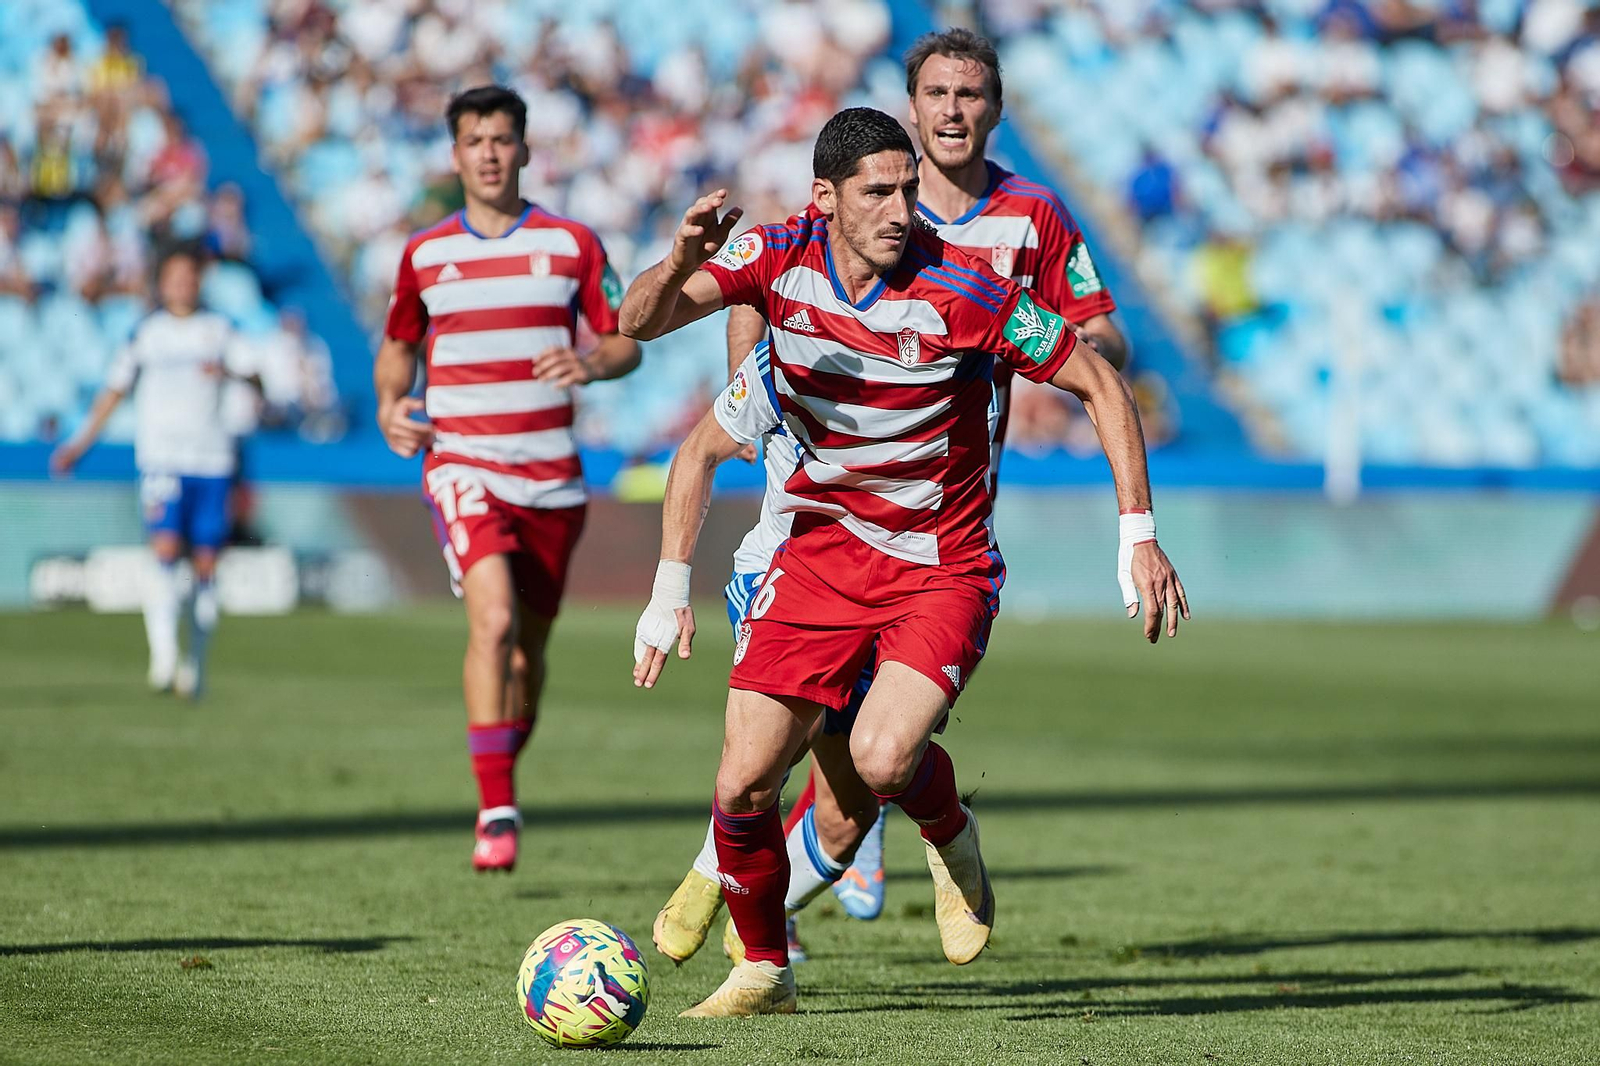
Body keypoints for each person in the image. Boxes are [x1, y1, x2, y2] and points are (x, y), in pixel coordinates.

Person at [622, 107, 1187, 1016]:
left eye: (908, 190)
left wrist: (1139, 534)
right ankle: (764, 972)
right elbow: (637, 321)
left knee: (882, 760)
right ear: (825, 197)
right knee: (742, 785)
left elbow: (1098, 380)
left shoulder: (965, 288)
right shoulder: (775, 255)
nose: (900, 210)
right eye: (878, 192)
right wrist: (682, 256)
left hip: (940, 567)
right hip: (817, 560)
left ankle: (950, 832)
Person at [374, 86, 640, 873]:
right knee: (490, 625)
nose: (488, 153)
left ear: (524, 149)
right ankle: (496, 809)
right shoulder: (425, 255)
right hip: (463, 463)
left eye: (501, 139)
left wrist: (590, 362)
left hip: (552, 480)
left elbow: (625, 341)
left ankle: (499, 769)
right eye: (474, 141)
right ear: (455, 155)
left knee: (526, 657)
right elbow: (399, 345)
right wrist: (390, 406)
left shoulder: (572, 243)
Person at [51, 244, 258, 698]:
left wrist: (231, 374)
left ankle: (195, 666)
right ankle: (163, 658)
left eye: (190, 276)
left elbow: (255, 375)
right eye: (175, 277)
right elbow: (113, 391)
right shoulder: (147, 333)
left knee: (206, 563)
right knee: (163, 549)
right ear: (162, 283)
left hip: (213, 460)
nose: (183, 284)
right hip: (162, 460)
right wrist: (79, 445)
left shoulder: (220, 330)